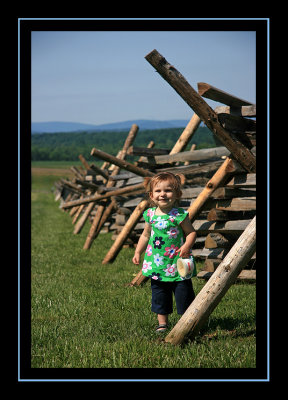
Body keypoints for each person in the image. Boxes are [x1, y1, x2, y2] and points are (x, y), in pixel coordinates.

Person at [132, 172, 197, 332]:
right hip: (157, 263)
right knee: (159, 293)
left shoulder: (179, 215)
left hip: (178, 263)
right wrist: (138, 252)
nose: (163, 194)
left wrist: (187, 246)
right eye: (158, 191)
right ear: (151, 195)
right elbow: (146, 235)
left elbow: (191, 233)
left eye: (168, 190)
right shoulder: (150, 215)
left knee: (183, 292)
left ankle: (186, 322)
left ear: (177, 194)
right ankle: (162, 323)